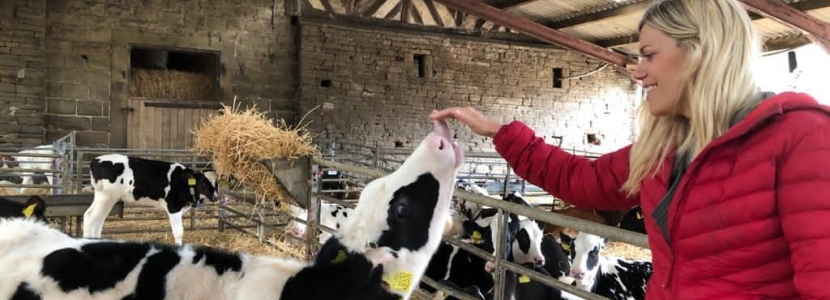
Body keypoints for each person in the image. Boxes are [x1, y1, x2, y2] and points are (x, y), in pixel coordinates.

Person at [430, 0, 830, 299]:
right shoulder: (665, 149)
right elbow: (582, 181)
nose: (637, 70)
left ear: (701, 54)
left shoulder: (802, 139)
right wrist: (500, 132)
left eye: (649, 55)